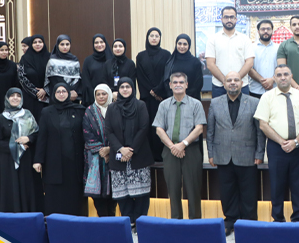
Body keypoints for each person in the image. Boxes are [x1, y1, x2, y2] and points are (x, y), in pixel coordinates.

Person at [206, 71, 265, 236]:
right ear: (224, 84)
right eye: (229, 80)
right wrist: (211, 153)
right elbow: (210, 131)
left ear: (242, 83)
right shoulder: (215, 103)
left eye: (236, 80)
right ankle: (230, 221)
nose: (233, 82)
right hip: (222, 155)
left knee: (249, 192)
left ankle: (249, 223)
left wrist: (260, 153)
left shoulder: (254, 102)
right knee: (227, 192)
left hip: (248, 155)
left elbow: (259, 131)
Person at [254, 64, 299, 222]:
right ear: (274, 78)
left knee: (298, 183)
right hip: (276, 147)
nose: (283, 77)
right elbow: (263, 124)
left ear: (291, 76)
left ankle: (297, 218)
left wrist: (296, 141)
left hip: (298, 146)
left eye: (286, 74)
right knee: (277, 184)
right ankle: (278, 219)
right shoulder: (267, 97)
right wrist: (282, 142)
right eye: (279, 75)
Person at [153, 72, 206, 219]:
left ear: (186, 85)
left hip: (191, 150)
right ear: (170, 85)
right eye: (175, 82)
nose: (178, 85)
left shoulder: (196, 104)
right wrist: (173, 147)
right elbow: (159, 129)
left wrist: (183, 144)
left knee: (193, 189)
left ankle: (195, 223)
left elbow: (199, 128)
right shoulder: (163, 105)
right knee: (173, 189)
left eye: (181, 82)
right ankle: (176, 222)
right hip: (170, 151)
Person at [104, 77, 153, 227]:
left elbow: (144, 127)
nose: (125, 89)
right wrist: (121, 149)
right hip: (119, 156)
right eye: (122, 87)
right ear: (118, 90)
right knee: (122, 195)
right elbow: (109, 131)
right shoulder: (112, 108)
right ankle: (129, 222)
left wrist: (131, 150)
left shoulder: (140, 105)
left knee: (141, 194)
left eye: (128, 87)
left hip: (139, 155)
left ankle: (140, 223)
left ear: (133, 88)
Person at [34, 82, 87, 216]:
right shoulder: (47, 112)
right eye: (58, 91)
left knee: (74, 196)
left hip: (75, 163)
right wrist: (38, 160)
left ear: (68, 93)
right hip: (54, 162)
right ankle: (54, 223)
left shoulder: (79, 110)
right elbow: (42, 137)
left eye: (64, 91)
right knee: (55, 196)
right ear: (54, 94)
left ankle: (77, 224)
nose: (61, 94)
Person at [0, 87, 43, 213]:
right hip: (7, 161)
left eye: (18, 95)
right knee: (10, 188)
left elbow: (37, 134)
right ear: (7, 98)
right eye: (12, 95)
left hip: (26, 159)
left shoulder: (28, 115)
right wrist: (16, 147)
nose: (15, 98)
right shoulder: (1, 118)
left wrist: (28, 138)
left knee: (27, 188)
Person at [81, 84, 117, 218]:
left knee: (113, 194)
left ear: (109, 94)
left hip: (114, 156)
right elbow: (87, 134)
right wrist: (102, 151)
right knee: (98, 199)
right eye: (98, 94)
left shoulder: (116, 109)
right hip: (95, 157)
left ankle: (112, 222)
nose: (101, 97)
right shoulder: (89, 111)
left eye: (104, 94)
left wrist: (110, 150)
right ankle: (102, 222)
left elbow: (120, 133)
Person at [135, 27, 170, 160]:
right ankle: (149, 156)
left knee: (162, 125)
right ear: (147, 38)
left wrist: (158, 90)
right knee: (147, 125)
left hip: (162, 98)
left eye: (157, 36)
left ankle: (162, 155)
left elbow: (167, 74)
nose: (154, 38)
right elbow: (140, 76)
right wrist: (152, 92)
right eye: (152, 35)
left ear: (160, 38)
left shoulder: (166, 54)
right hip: (147, 99)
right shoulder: (141, 56)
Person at [206, 6, 255, 98]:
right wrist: (225, 81)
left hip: (241, 86)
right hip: (219, 86)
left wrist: (236, 81)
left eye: (232, 17)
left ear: (236, 19)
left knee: (243, 108)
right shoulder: (213, 39)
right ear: (221, 19)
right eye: (226, 17)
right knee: (219, 108)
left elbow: (249, 63)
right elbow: (210, 64)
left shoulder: (245, 39)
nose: (229, 20)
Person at [161, 34, 204, 101]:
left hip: (192, 99)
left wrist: (184, 96)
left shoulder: (195, 62)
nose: (182, 46)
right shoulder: (171, 61)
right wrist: (174, 95)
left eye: (185, 44)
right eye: (179, 44)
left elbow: (198, 83)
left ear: (189, 45)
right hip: (173, 99)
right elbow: (166, 80)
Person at [18, 35, 50, 118]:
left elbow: (52, 76)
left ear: (43, 43)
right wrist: (35, 92)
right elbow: (21, 77)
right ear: (31, 45)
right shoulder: (25, 58)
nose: (37, 44)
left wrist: (45, 90)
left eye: (40, 42)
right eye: (34, 42)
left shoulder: (50, 58)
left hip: (47, 97)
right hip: (29, 97)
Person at [45, 34, 81, 102]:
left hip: (72, 96)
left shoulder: (74, 60)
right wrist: (66, 91)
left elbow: (77, 78)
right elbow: (54, 79)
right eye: (62, 44)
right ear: (57, 45)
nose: (65, 47)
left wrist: (72, 91)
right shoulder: (52, 60)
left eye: (67, 44)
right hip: (58, 94)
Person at [248, 19, 278, 99]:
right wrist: (262, 80)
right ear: (258, 31)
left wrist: (272, 79)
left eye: (268, 29)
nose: (265, 31)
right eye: (263, 29)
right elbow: (248, 68)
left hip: (274, 89)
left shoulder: (278, 48)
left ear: (272, 31)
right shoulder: (251, 48)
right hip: (255, 90)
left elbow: (282, 67)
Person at [80, 34, 110, 107]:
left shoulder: (111, 59)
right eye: (96, 42)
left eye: (101, 42)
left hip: (109, 98)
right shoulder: (88, 60)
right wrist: (96, 96)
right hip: (92, 98)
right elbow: (86, 81)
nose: (99, 45)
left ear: (105, 43)